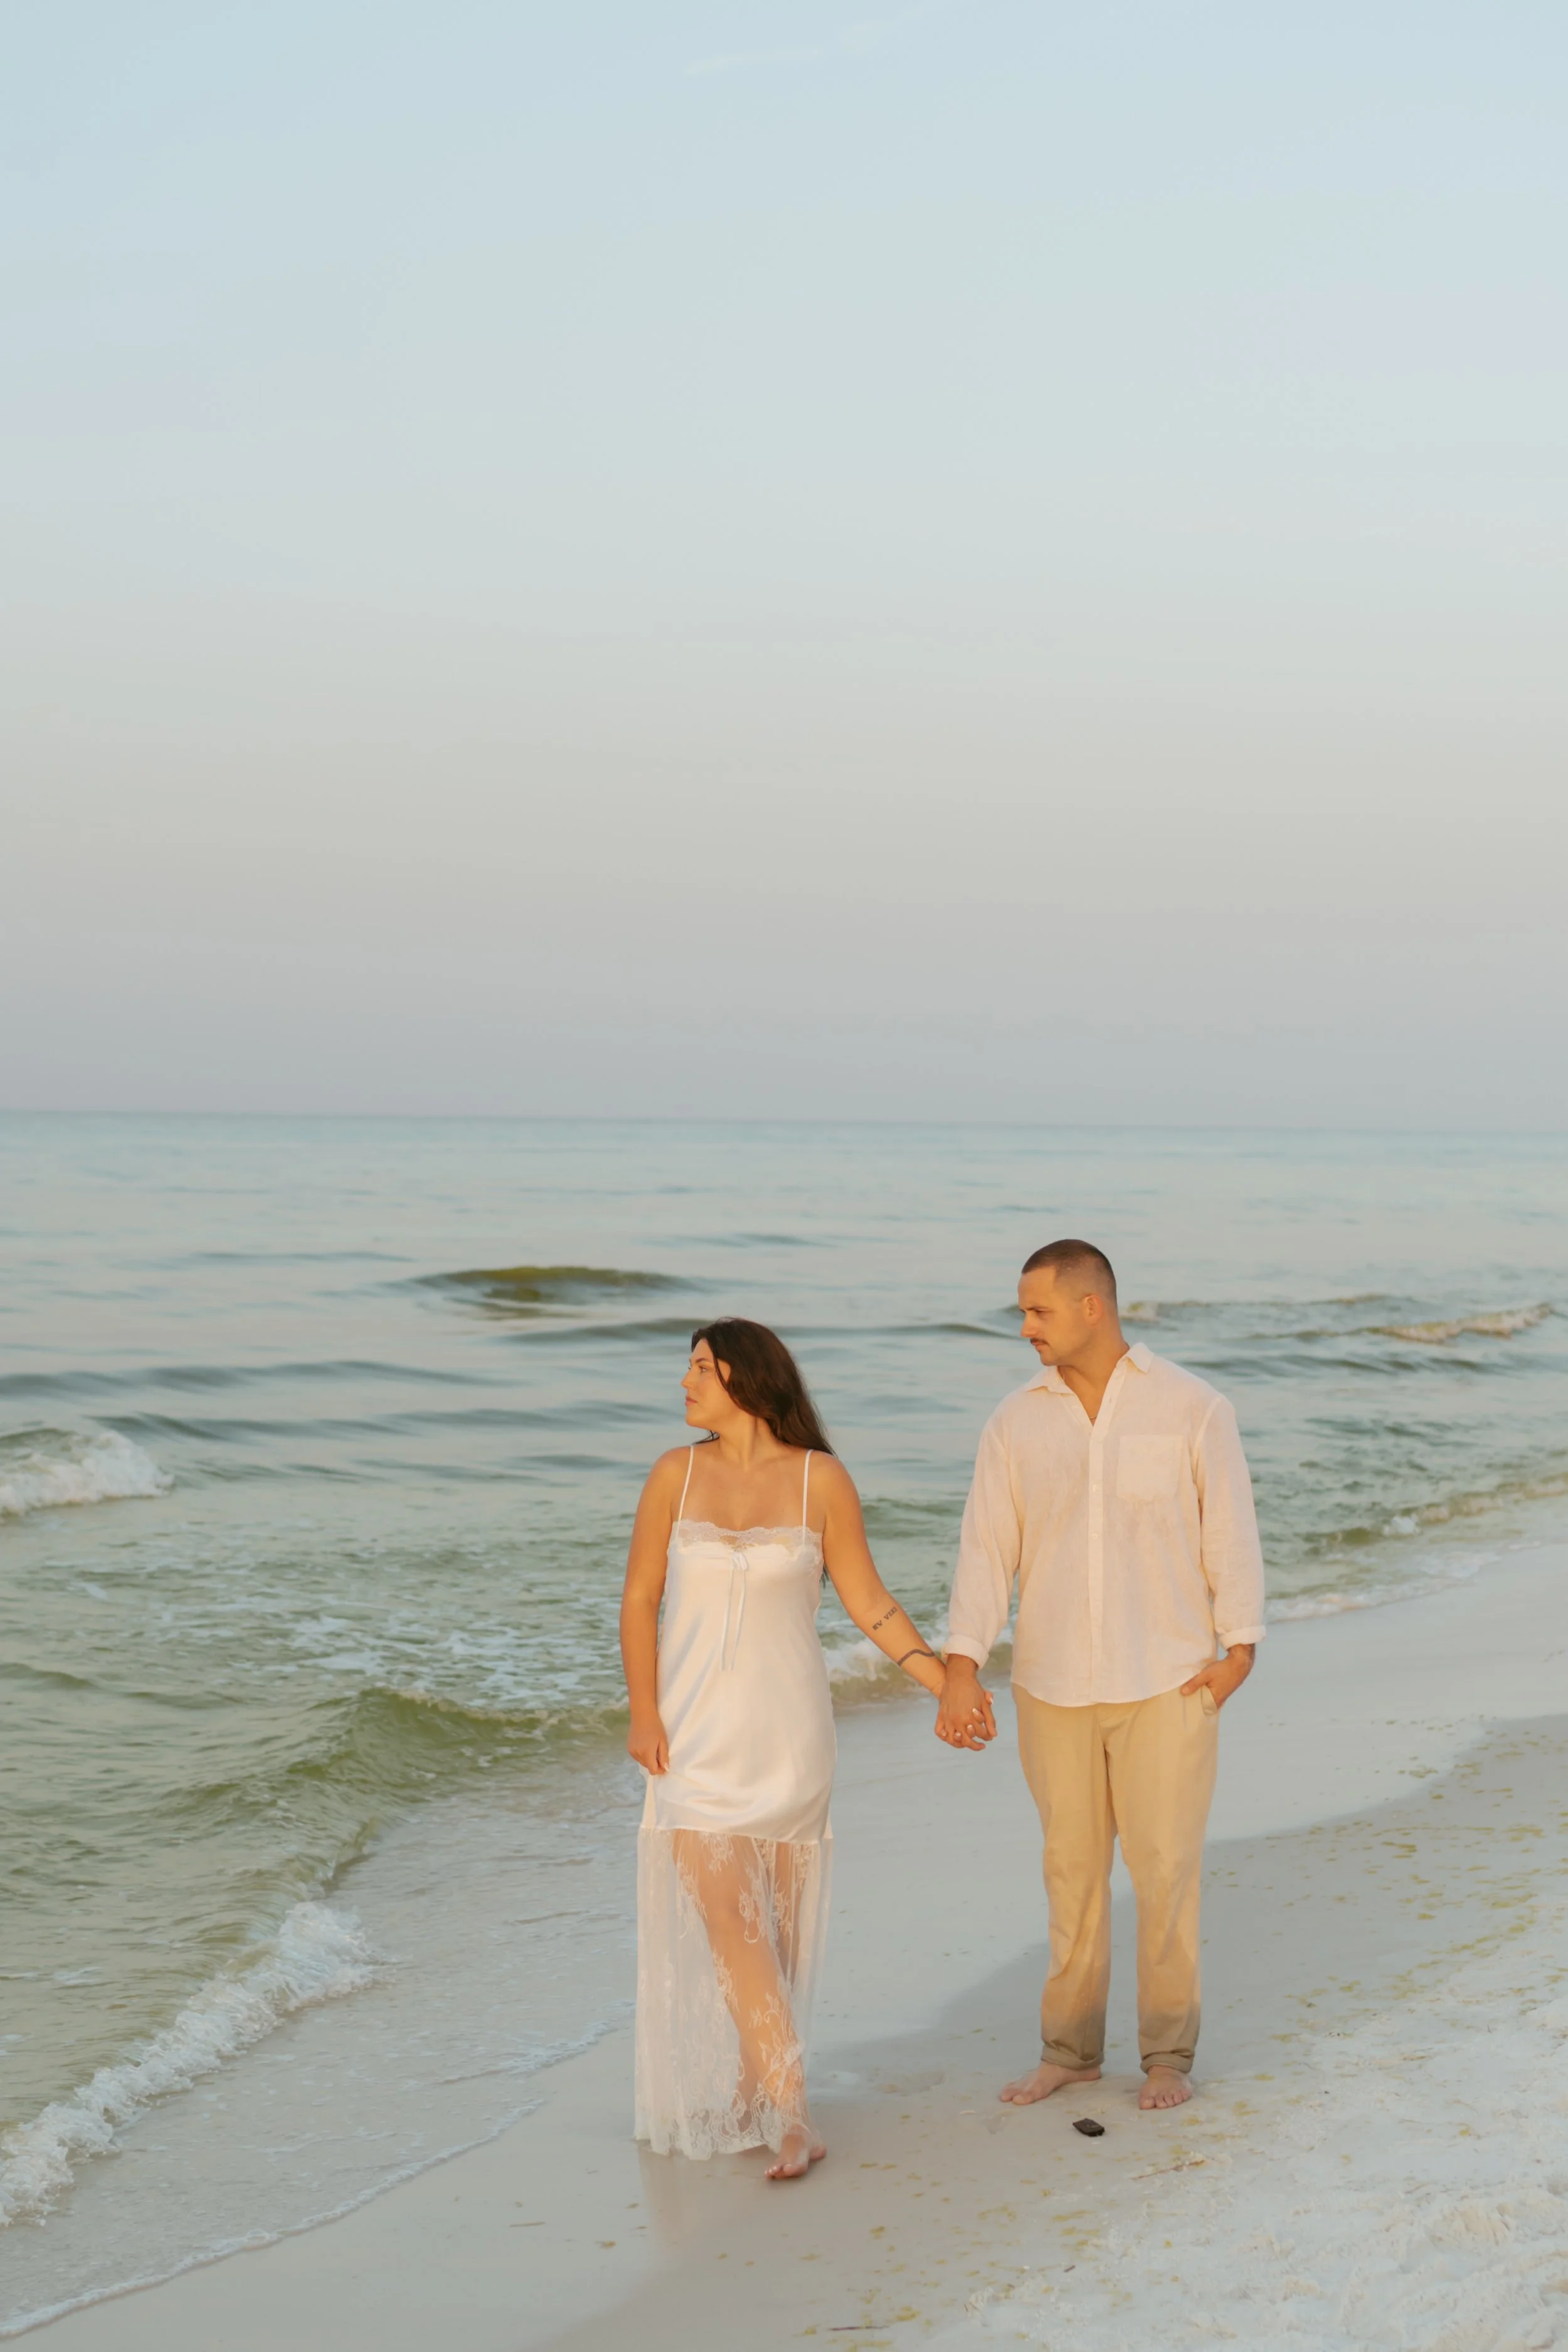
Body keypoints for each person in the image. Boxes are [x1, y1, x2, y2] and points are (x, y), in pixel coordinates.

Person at [621, 1318, 990, 2181]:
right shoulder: (673, 1477)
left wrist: (947, 1685)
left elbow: (867, 1599)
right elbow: (640, 1598)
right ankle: (796, 2116)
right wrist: (643, 1711)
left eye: (701, 1369)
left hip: (788, 1736)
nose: (685, 1384)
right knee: (729, 1922)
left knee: (770, 1936)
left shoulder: (821, 1481)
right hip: (692, 1739)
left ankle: (759, 2094)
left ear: (747, 1379)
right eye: (688, 1369)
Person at [937, 1241, 1265, 2112]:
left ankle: (1167, 2054)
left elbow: (1228, 1530)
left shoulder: (1193, 1406)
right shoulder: (1015, 1421)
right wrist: (961, 1667)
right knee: (1071, 1875)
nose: (1025, 1327)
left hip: (1169, 1679)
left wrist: (1239, 1652)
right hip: (1052, 1683)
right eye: (1022, 1311)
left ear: (1092, 1306)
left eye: (1038, 1310)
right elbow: (984, 1551)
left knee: (1165, 1874)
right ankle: (1071, 2051)